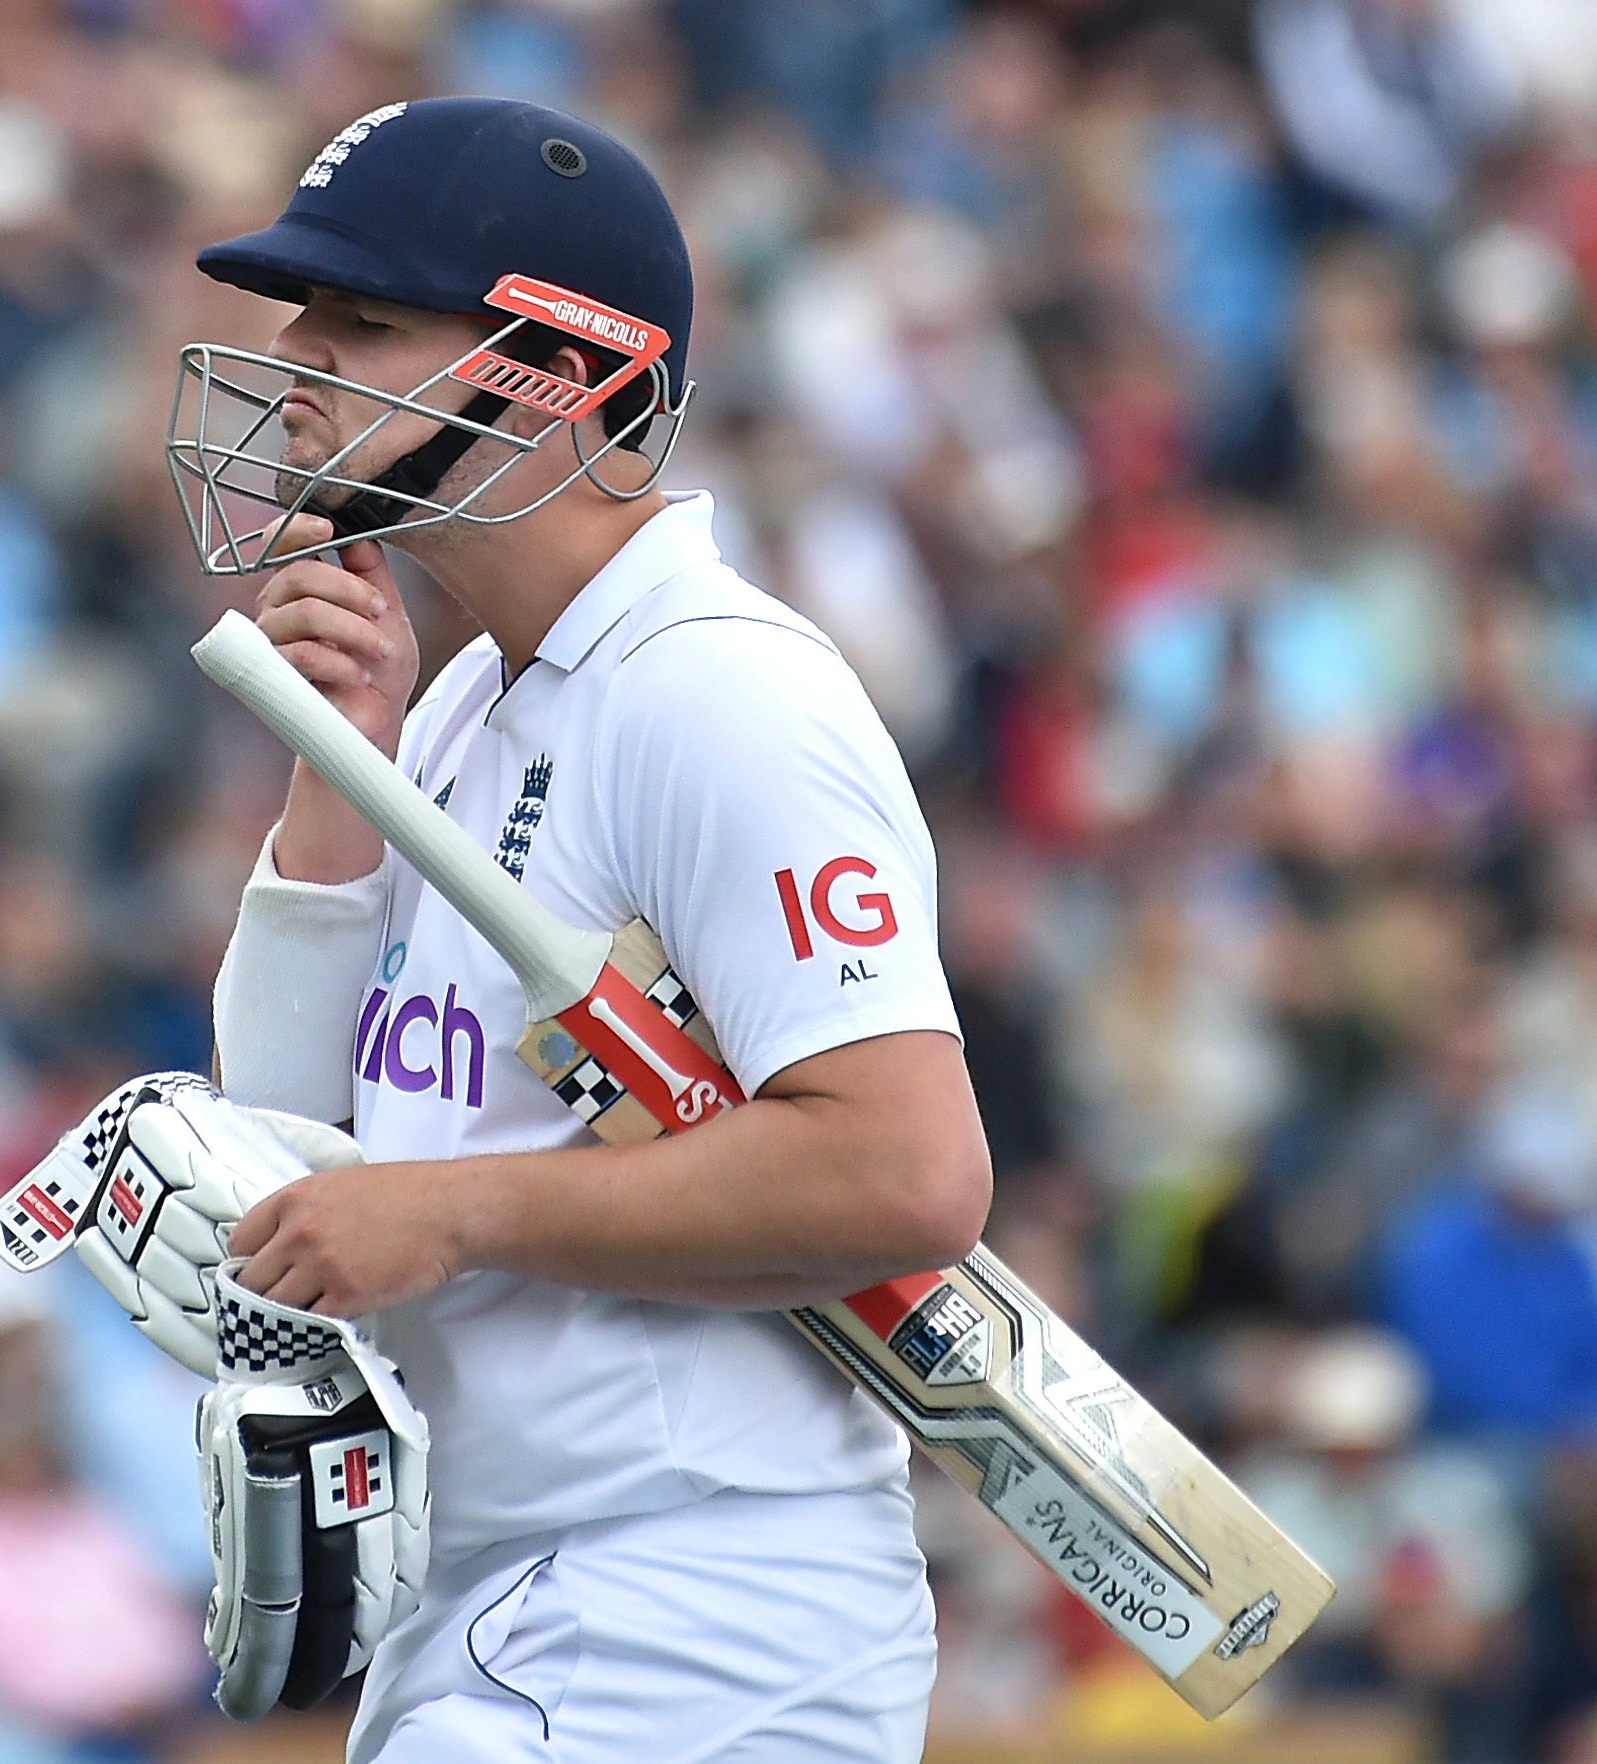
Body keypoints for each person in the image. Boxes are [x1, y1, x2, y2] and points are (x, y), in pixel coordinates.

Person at [170, 97, 991, 1762]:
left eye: (365, 322)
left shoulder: (717, 692)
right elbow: (296, 1128)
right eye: (302, 316)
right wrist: (341, 766)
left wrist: (454, 1215)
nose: (296, 359)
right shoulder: (470, 692)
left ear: (566, 378)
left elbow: (905, 1179)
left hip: (691, 1611)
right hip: (502, 1602)